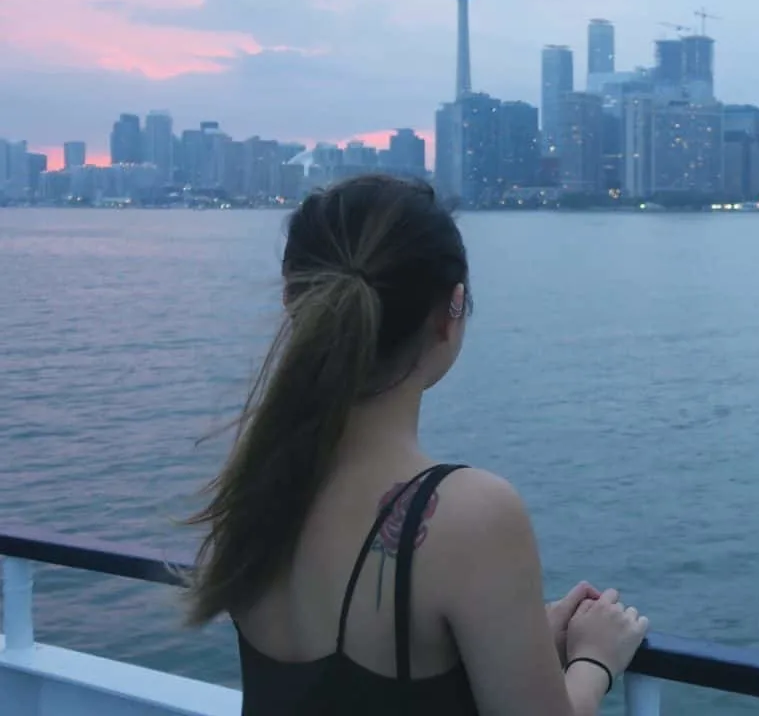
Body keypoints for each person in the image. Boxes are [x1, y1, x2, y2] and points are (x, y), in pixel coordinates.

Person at [183, 174, 648, 715]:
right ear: (451, 311)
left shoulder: (256, 484)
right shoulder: (471, 515)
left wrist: (517, 642)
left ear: (294, 302)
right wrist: (593, 661)